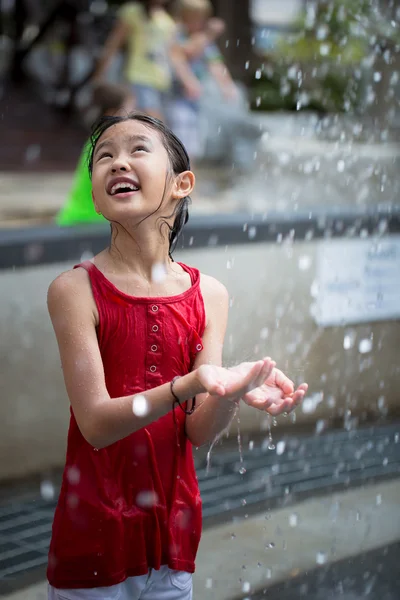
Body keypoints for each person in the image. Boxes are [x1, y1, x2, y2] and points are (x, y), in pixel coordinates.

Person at [46, 112, 308, 600]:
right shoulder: (76, 290)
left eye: (137, 150)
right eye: (104, 156)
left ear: (181, 184)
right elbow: (96, 425)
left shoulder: (210, 294)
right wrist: (189, 384)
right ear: (97, 198)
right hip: (94, 538)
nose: (118, 162)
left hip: (172, 535)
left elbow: (197, 429)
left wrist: (230, 390)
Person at [56, 82, 135, 226]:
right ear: (112, 113)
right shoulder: (108, 145)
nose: (132, 117)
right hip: (88, 222)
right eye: (128, 110)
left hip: (79, 218)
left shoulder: (97, 139)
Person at [168, 0, 238, 161]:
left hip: (193, 99)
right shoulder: (178, 35)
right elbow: (184, 54)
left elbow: (215, 64)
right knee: (178, 138)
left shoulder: (204, 40)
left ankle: (189, 177)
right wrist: (188, 81)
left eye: (201, 19)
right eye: (193, 18)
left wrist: (226, 85)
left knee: (192, 143)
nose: (198, 23)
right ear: (183, 18)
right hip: (175, 95)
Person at [93, 0, 176, 120]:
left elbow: (172, 53)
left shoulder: (167, 17)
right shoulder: (133, 10)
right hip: (138, 76)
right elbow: (114, 43)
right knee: (152, 122)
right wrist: (99, 73)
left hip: (162, 81)